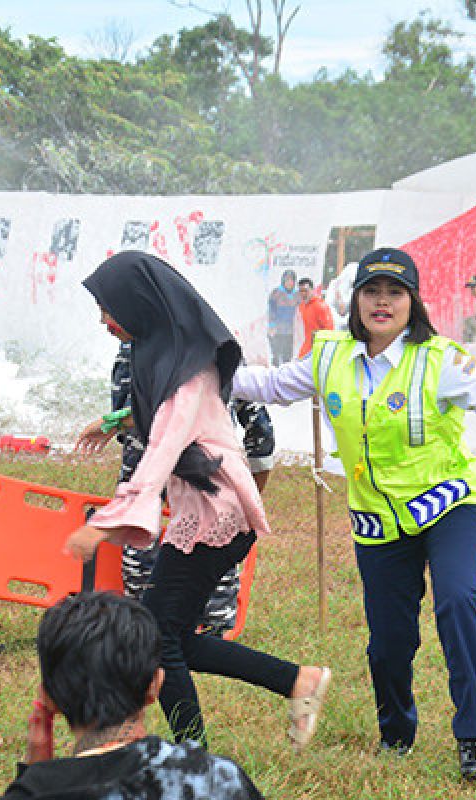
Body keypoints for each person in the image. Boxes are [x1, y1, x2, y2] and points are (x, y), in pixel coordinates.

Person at [232, 247, 476, 780]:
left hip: (450, 507)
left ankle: (474, 736)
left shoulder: (440, 358)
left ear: (412, 302)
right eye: (371, 291)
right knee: (390, 643)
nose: (382, 302)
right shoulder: (330, 357)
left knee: (459, 601)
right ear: (356, 301)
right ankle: (396, 732)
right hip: (378, 522)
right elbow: (272, 385)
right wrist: (201, 371)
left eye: (395, 293)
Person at [68, 252, 330, 749]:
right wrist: (110, 423)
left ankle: (192, 755)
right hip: (210, 512)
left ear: (137, 304)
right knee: (173, 638)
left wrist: (103, 525)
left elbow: (164, 446)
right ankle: (298, 682)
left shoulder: (186, 368)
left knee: (157, 641)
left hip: (217, 518)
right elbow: (158, 416)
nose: (103, 321)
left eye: (109, 309)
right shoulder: (171, 351)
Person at [0, 591, 264, 799]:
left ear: (48, 698)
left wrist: (34, 776)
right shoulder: (218, 778)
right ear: (155, 685)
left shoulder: (36, 792)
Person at [104, 340, 275, 637]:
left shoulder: (146, 347)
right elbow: (261, 431)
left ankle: (166, 632)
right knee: (191, 554)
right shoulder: (214, 343)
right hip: (190, 473)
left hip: (190, 469)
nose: (105, 320)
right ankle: (181, 632)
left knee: (162, 562)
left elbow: (132, 418)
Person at [266, 269, 299, 365]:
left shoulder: (297, 295)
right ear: (283, 281)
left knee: (287, 357)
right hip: (277, 330)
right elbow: (271, 310)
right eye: (287, 280)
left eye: (292, 280)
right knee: (276, 356)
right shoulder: (276, 293)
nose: (289, 283)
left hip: (290, 331)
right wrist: (272, 325)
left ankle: (285, 377)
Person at [296, 277, 334, 357]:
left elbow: (329, 330)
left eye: (305, 291)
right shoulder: (302, 306)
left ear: (312, 290)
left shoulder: (320, 306)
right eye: (301, 291)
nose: (303, 294)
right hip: (306, 347)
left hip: (318, 349)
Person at [327, 261, 358, 330]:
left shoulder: (355, 289)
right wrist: (340, 320)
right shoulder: (334, 285)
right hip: (335, 325)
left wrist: (348, 318)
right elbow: (329, 306)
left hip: (351, 326)